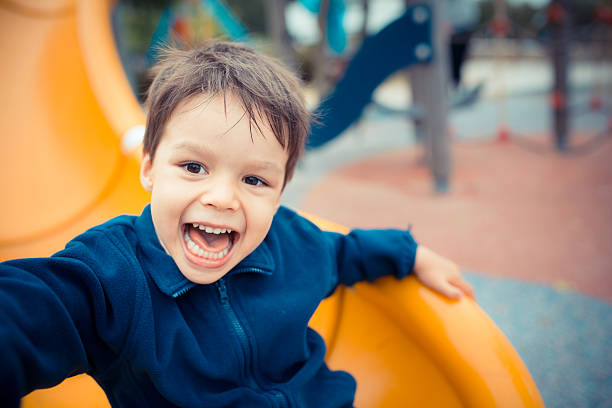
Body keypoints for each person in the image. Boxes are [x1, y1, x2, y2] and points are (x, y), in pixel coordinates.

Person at [0, 41, 473, 407]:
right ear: (148, 168)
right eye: (193, 167)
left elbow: (344, 252)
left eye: (253, 179)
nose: (222, 198)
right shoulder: (112, 276)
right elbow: (33, 310)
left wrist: (412, 254)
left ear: (280, 192)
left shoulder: (292, 242)